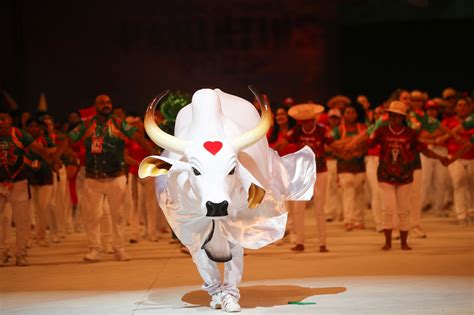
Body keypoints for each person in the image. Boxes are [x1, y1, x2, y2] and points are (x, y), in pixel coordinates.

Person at [58, 94, 155, 262]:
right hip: (93, 178)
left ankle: (119, 249)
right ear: (95, 106)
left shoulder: (119, 123)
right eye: (102, 102)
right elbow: (68, 139)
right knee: (93, 215)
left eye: (108, 102)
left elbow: (138, 137)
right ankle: (94, 249)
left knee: (117, 215)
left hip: (116, 177)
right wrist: (56, 157)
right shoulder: (87, 125)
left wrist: (154, 153)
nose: (106, 105)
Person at [355, 101, 449, 250]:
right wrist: (352, 150)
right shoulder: (381, 131)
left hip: (405, 176)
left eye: (397, 116)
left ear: (402, 118)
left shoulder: (411, 134)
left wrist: (440, 157)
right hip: (386, 175)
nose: (393, 118)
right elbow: (368, 144)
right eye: (391, 115)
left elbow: (424, 150)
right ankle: (388, 242)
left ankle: (404, 243)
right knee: (388, 208)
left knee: (404, 209)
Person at [0, 110, 54, 266]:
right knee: (2, 219)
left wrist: (53, 162)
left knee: (22, 220)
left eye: (3, 119)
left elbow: (41, 150)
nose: (0, 123)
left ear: (10, 120)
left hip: (18, 182)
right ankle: (3, 251)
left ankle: (20, 254)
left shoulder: (19, 135)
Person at [286, 103, 340, 252]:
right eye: (304, 120)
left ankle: (322, 243)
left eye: (309, 120)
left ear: (314, 119)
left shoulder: (322, 131)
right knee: (298, 208)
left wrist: (347, 150)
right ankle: (299, 242)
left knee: (319, 208)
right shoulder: (296, 131)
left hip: (320, 172)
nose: (307, 123)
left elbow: (335, 146)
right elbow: (285, 142)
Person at [331, 102, 367, 231]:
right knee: (347, 191)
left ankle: (358, 220)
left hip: (359, 164)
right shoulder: (338, 130)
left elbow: (366, 144)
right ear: (343, 115)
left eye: (353, 112)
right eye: (347, 112)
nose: (350, 115)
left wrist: (352, 146)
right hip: (344, 164)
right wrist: (348, 146)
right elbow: (332, 145)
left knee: (359, 192)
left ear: (357, 114)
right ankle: (348, 220)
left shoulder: (363, 128)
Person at [25, 117, 56, 247]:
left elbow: (55, 152)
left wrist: (47, 153)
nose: (33, 129)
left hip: (45, 177)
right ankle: (27, 237)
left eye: (36, 126)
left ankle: (41, 236)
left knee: (43, 208)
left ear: (41, 128)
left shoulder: (46, 140)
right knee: (28, 210)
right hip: (29, 177)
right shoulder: (23, 140)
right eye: (30, 126)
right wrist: (30, 163)